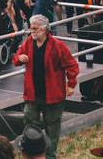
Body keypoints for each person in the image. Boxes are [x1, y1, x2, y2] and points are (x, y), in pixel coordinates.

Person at [14, 14, 79, 159]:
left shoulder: (57, 45)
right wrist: (19, 58)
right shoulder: (28, 43)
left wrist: (71, 84)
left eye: (35, 29)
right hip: (33, 94)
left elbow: (72, 65)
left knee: (53, 126)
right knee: (29, 119)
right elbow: (16, 58)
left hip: (53, 95)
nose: (32, 32)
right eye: (31, 29)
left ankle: (49, 155)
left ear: (44, 29)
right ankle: (32, 151)